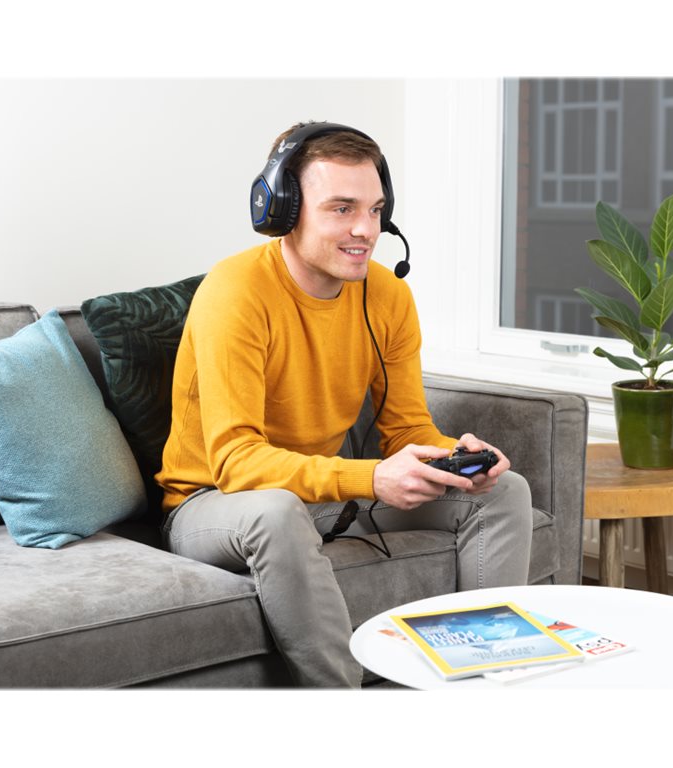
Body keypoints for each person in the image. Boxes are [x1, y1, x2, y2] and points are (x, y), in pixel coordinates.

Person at [155, 121, 534, 688]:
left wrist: (456, 457)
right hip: (212, 504)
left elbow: (406, 427)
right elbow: (236, 462)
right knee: (276, 511)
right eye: (342, 209)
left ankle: (486, 687)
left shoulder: (387, 294)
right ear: (283, 209)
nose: (366, 229)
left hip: (316, 497)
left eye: (376, 210)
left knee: (504, 491)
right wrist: (372, 477)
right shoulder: (236, 292)